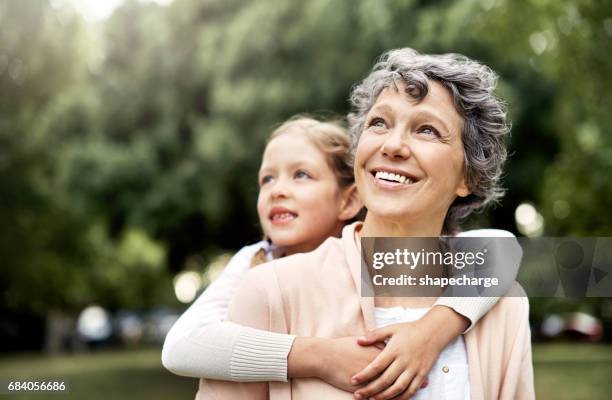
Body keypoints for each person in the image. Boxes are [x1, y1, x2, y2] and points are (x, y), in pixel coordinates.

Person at [195, 48, 534, 400]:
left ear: (468, 176)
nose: (393, 145)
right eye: (379, 123)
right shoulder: (271, 291)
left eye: (427, 130)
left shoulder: (504, 308)